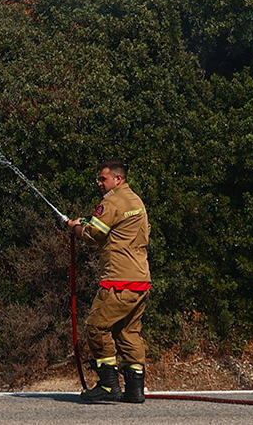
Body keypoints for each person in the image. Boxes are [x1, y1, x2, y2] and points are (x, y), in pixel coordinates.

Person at [67, 159, 150, 403]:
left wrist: (73, 228)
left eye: (103, 179)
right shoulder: (136, 201)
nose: (99, 184)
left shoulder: (112, 201)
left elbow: (93, 236)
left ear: (118, 179)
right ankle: (135, 390)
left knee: (96, 327)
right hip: (140, 279)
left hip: (118, 280)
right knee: (128, 332)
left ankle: (108, 385)